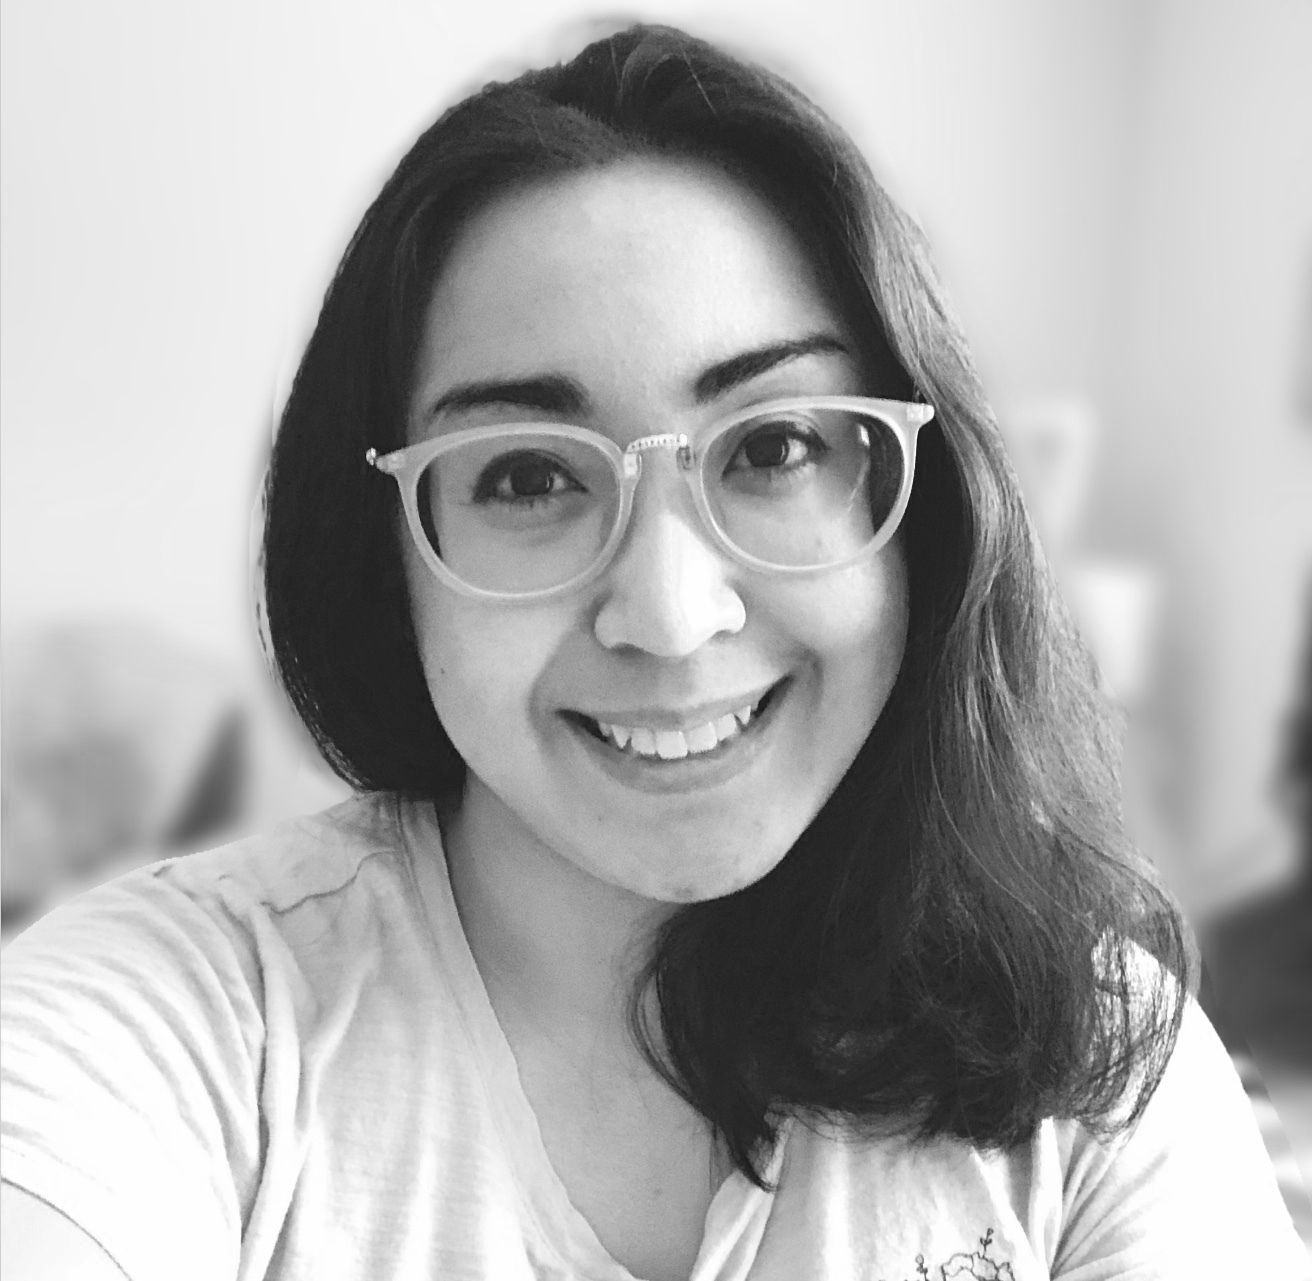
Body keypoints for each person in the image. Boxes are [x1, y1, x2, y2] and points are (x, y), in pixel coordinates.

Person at [2, 22, 1306, 1280]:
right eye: (526, 476)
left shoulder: (1099, 1066)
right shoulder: (165, 1025)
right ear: (384, 551)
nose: (672, 616)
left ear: (919, 510)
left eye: (775, 448)